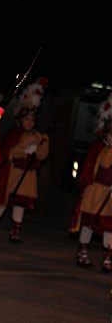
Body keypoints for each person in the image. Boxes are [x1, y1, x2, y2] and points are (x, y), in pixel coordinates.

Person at [0, 77, 49, 242]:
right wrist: (24, 150)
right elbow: (10, 151)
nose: (29, 122)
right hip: (13, 172)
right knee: (5, 199)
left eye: (32, 120)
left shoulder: (38, 136)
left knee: (21, 203)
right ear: (21, 119)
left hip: (28, 174)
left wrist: (40, 147)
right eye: (27, 119)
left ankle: (15, 231)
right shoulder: (14, 134)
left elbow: (43, 155)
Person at [70, 93, 112, 271]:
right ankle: (83, 252)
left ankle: (108, 258)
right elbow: (104, 163)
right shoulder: (100, 148)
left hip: (110, 194)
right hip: (96, 191)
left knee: (109, 226)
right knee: (88, 222)